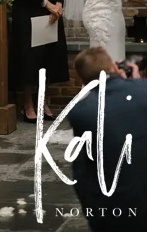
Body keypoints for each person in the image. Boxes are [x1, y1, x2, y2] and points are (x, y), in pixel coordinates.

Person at [68, 47, 145, 232]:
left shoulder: (80, 112)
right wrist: (136, 85)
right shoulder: (145, 88)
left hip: (119, 207)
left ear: (81, 79)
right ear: (113, 65)